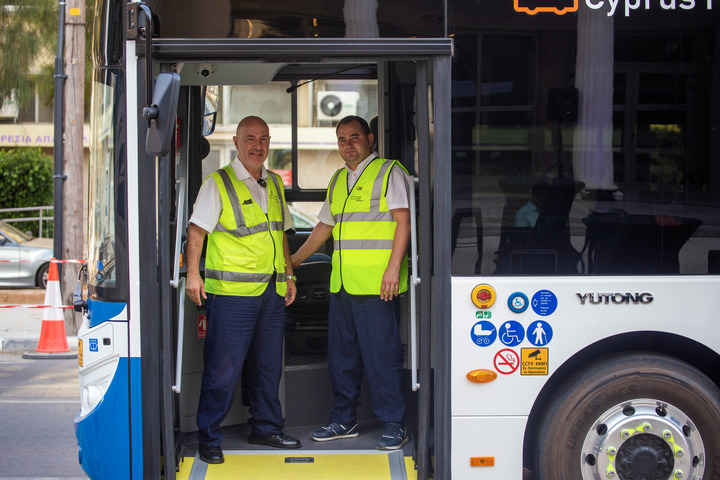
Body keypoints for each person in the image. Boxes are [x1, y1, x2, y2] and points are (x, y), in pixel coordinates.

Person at [186, 116, 301, 465]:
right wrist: (193, 275)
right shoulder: (217, 183)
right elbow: (196, 233)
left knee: (268, 367)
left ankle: (266, 427)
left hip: (272, 291)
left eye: (264, 138)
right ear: (236, 142)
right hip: (232, 295)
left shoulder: (275, 183)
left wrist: (290, 274)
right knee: (223, 369)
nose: (258, 145)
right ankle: (209, 436)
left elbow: (280, 234)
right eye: (250, 138)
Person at [291, 115, 411, 451]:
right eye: (342, 139)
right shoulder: (339, 179)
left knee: (381, 357)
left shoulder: (390, 173)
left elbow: (404, 223)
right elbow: (324, 228)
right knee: (341, 358)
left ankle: (393, 423)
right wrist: (294, 262)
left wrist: (393, 268)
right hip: (342, 285)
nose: (348, 145)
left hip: (377, 285)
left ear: (370, 138)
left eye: (354, 137)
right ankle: (344, 419)